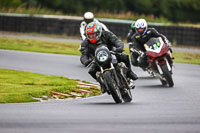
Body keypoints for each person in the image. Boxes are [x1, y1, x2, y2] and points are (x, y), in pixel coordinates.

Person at [81, 22, 138, 92]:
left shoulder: (106, 34)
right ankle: (102, 83)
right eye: (90, 35)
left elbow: (116, 41)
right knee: (91, 71)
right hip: (97, 59)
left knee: (124, 56)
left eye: (93, 34)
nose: (92, 36)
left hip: (112, 53)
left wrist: (119, 47)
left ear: (99, 32)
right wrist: (85, 61)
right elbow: (84, 54)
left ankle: (129, 72)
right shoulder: (85, 43)